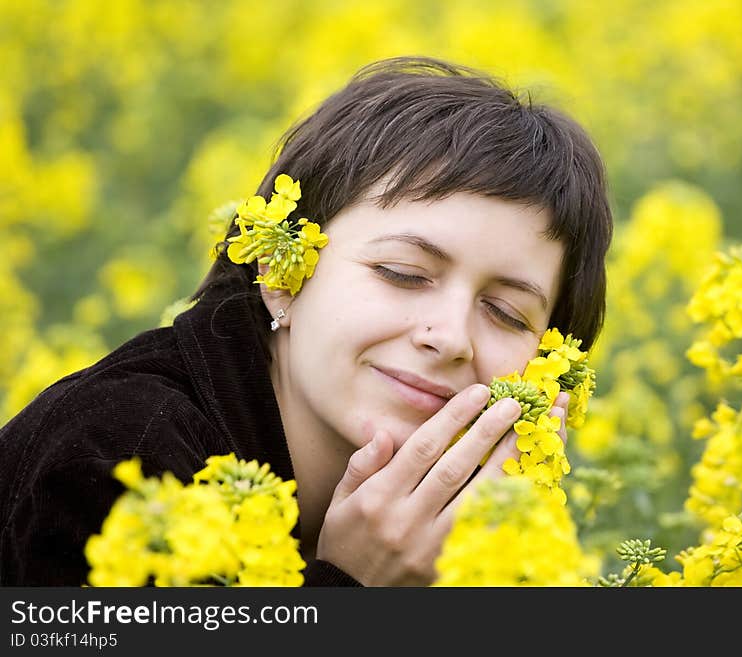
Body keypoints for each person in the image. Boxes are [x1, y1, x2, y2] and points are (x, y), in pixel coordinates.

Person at [0, 56, 613, 586]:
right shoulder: (117, 460)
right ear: (280, 271)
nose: (450, 336)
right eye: (402, 273)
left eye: (506, 313)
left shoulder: (470, 524)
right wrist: (351, 588)